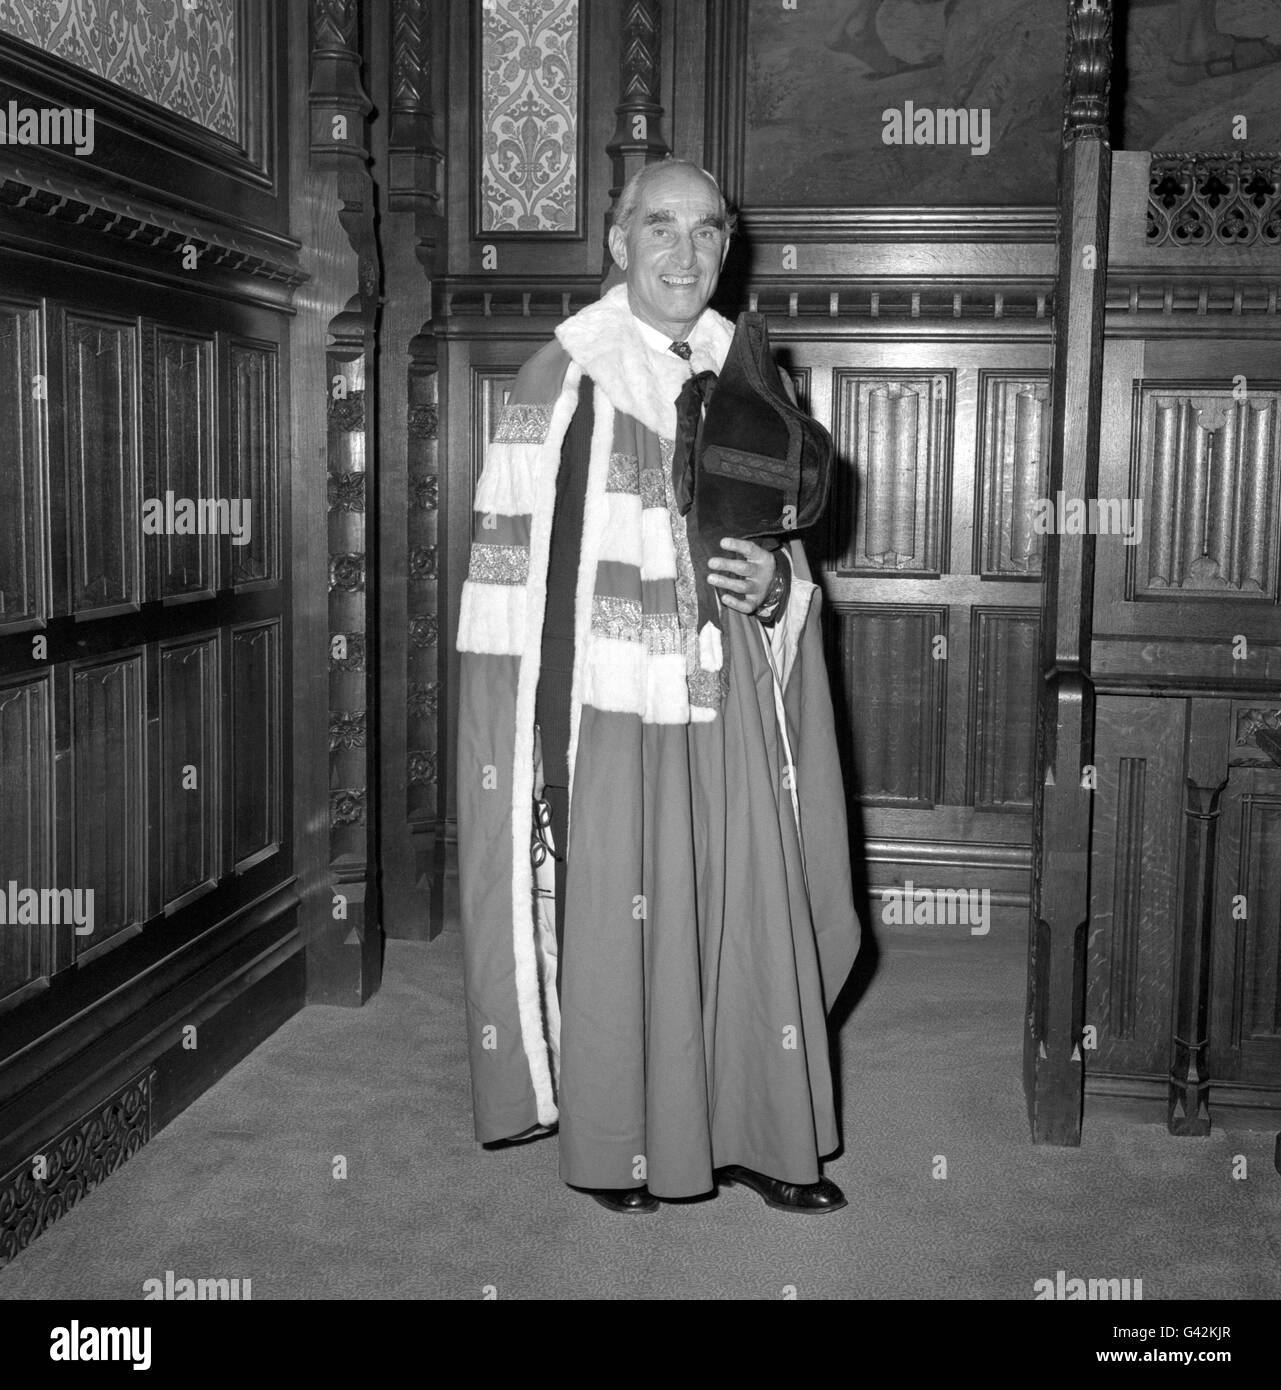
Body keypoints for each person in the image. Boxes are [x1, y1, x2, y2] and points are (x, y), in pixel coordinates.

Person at [455, 158, 861, 1214]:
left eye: (709, 231)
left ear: (728, 248)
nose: (688, 252)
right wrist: (546, 758)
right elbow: (518, 595)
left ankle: (765, 1135)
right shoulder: (563, 376)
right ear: (618, 242)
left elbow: (790, 560)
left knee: (744, 905)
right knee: (628, 923)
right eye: (662, 227)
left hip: (731, 702)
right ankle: (623, 1141)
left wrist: (778, 588)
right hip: (613, 713)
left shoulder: (754, 374)